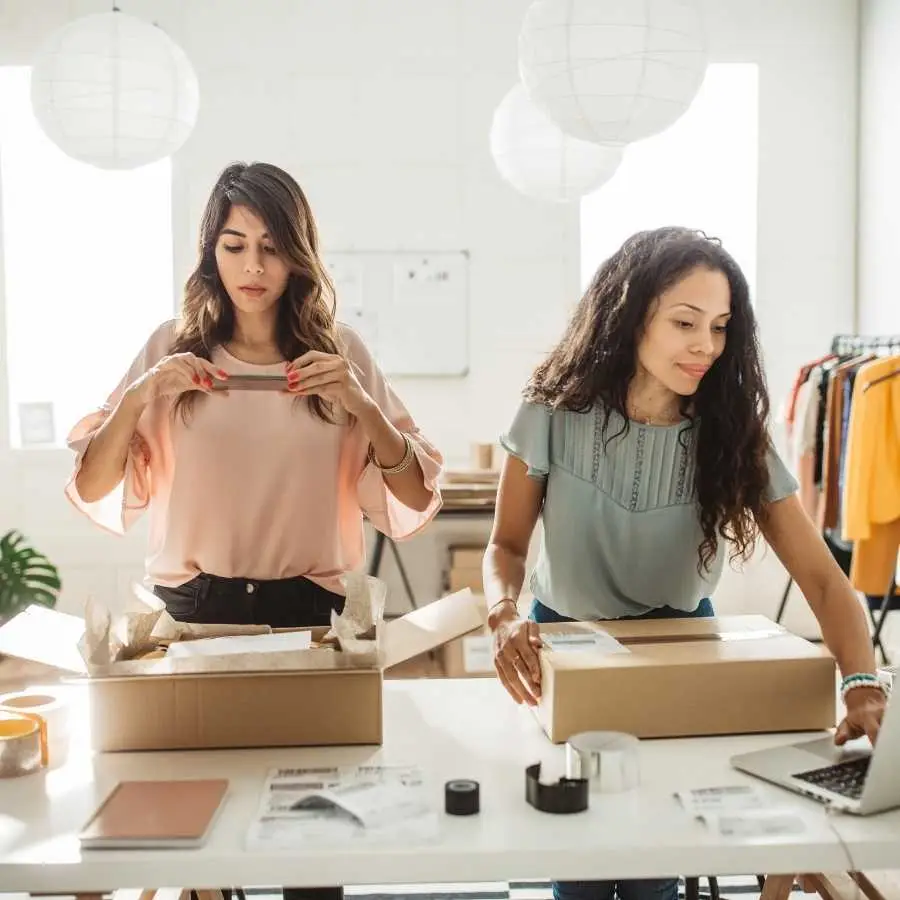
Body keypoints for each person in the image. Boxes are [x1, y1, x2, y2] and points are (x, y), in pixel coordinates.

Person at [65, 161, 443, 900]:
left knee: (313, 845)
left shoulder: (341, 353)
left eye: (271, 246)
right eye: (234, 244)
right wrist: (143, 392)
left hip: (311, 620)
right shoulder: (170, 349)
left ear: (298, 254)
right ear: (211, 251)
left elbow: (414, 493)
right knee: (195, 847)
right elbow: (93, 482)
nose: (253, 266)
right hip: (193, 619)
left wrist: (363, 406)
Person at [483, 227, 888, 900]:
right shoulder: (551, 410)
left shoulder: (731, 434)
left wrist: (863, 682)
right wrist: (501, 612)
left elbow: (823, 578)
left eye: (721, 327)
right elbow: (506, 545)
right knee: (578, 863)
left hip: (682, 649)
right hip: (562, 645)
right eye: (685, 322)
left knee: (654, 864)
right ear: (631, 313)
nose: (706, 346)